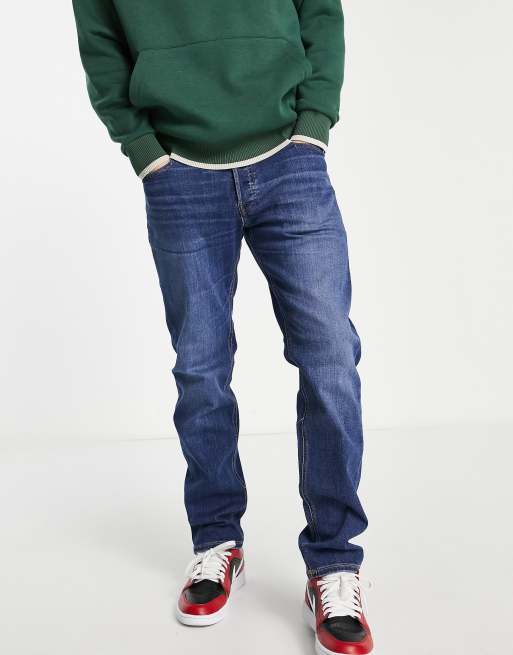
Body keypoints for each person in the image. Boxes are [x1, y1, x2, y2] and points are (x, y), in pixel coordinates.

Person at [71, 1, 373, 653]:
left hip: (289, 160)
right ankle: (216, 540)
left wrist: (314, 123)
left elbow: (320, 12)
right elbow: (100, 43)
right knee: (200, 367)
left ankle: (333, 563)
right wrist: (145, 151)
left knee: (330, 357)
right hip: (180, 175)